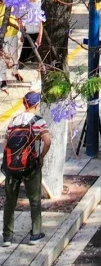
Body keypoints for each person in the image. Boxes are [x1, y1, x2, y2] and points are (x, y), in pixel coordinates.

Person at [2, 90, 49, 244]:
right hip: (30, 166)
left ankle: (7, 236)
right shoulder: (38, 122)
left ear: (24, 103)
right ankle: (35, 234)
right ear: (36, 105)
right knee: (34, 200)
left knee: (10, 201)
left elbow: (6, 144)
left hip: (12, 167)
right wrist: (40, 157)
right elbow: (47, 141)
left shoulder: (13, 121)